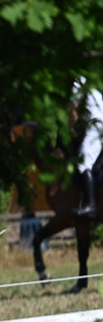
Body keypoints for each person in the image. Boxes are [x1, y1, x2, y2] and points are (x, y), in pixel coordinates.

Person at [73, 77, 103, 217]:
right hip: (98, 124)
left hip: (97, 125)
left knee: (83, 163)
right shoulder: (91, 83)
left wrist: (71, 129)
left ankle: (91, 205)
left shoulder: (77, 82)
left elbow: (73, 110)